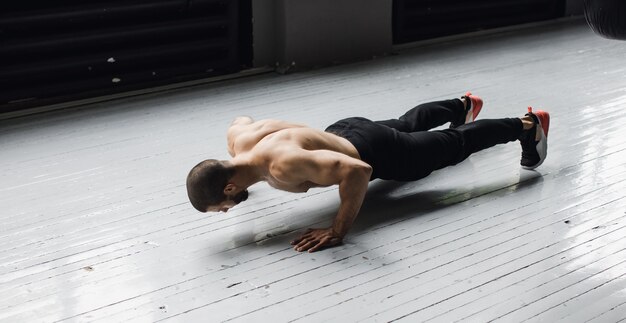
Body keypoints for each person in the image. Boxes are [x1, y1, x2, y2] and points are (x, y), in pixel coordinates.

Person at [186, 92, 550, 253]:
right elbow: (240, 117)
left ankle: (527, 125)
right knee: (406, 124)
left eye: (223, 206)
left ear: (230, 187)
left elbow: (358, 171)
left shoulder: (281, 165)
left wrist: (337, 230)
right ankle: (462, 103)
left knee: (453, 145)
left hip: (374, 152)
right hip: (344, 129)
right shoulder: (239, 140)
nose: (227, 211)